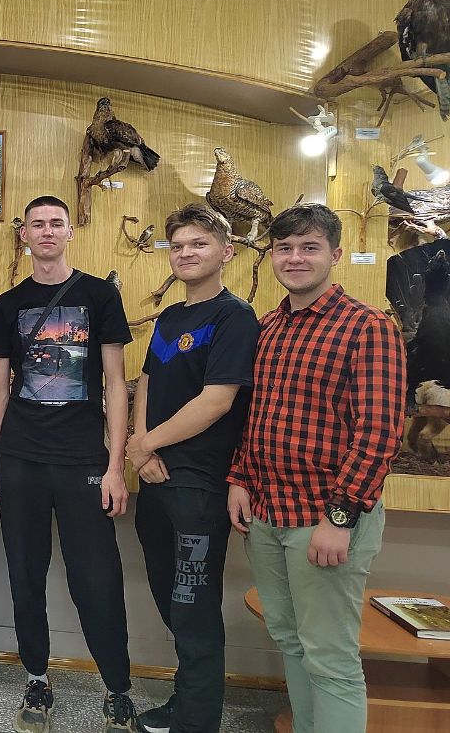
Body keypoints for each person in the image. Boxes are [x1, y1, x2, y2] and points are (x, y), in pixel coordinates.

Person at [227, 204, 405, 733]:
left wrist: (340, 518)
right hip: (267, 514)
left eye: (309, 248)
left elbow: (379, 434)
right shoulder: (266, 328)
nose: (295, 258)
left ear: (336, 254)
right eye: (284, 248)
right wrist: (239, 478)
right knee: (290, 640)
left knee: (330, 657)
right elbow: (254, 416)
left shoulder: (368, 328)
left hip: (325, 517)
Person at [0, 195, 140, 733]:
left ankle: (117, 687)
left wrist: (116, 466)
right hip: (20, 459)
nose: (47, 231)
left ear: (70, 232)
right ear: (24, 235)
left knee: (97, 578)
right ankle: (36, 677)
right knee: (25, 575)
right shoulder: (8, 305)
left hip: (82, 460)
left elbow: (115, 384)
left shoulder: (99, 296)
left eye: (56, 223)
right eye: (37, 224)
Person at [125, 204, 260, 733]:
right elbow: (147, 382)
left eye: (198, 244)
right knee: (171, 601)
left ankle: (197, 720)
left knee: (193, 608)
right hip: (155, 478)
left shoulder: (234, 317)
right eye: (177, 245)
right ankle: (185, 703)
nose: (185, 253)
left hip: (199, 485)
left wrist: (145, 445)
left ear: (226, 252)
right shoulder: (170, 317)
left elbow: (216, 401)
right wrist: (141, 447)